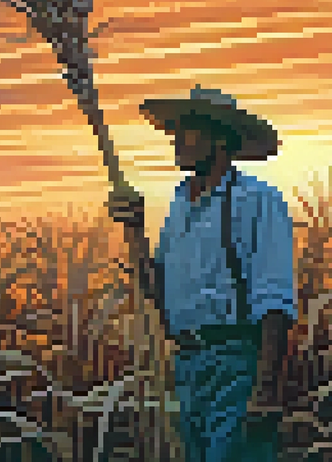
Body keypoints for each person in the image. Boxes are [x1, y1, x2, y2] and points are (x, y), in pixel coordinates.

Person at [107, 85, 297, 462]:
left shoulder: (257, 201)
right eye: (176, 129)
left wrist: (264, 392)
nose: (178, 139)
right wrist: (135, 231)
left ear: (220, 139)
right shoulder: (179, 206)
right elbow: (156, 290)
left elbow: (274, 301)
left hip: (237, 362)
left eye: (189, 130)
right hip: (188, 365)